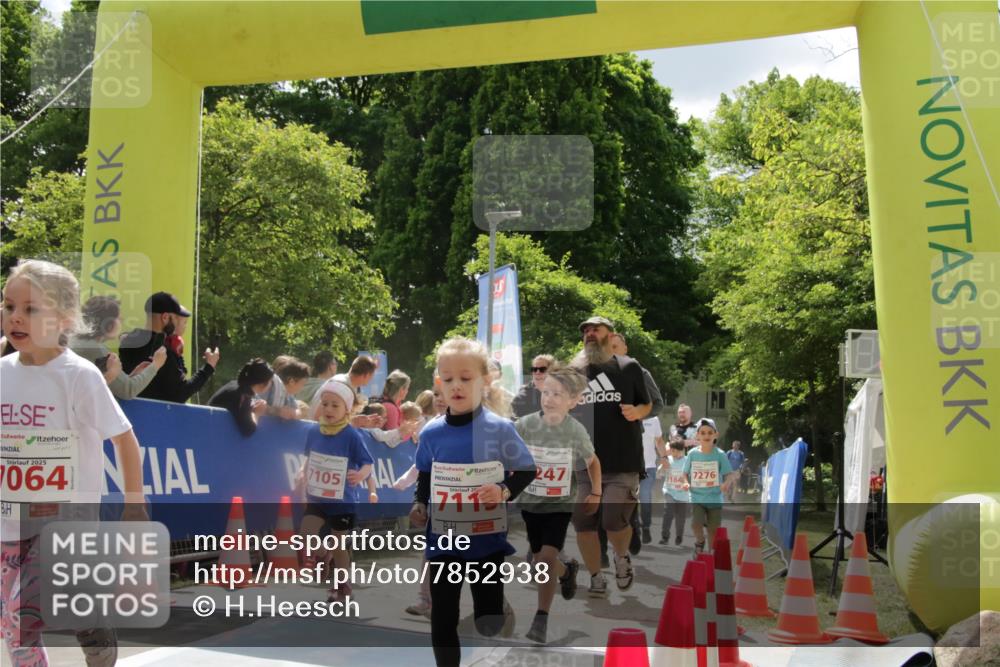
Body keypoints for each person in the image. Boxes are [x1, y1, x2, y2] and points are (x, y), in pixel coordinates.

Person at [1, 259, 147, 667]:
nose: (15, 317)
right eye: (8, 305)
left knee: (23, 616)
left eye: (31, 309)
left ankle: (92, 622)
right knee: (12, 622)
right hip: (10, 519)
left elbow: (124, 437)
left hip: (64, 520)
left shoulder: (78, 375)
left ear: (65, 319)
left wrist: (134, 505)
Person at [409, 338, 536, 667]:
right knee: (444, 613)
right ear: (439, 382)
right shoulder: (432, 433)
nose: (456, 386)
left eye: (465, 378)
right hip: (443, 539)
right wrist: (420, 503)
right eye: (447, 379)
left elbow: (526, 469)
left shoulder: (500, 429)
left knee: (488, 619)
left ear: (485, 380)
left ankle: (498, 614)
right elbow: (425, 473)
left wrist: (503, 490)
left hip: (486, 540)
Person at [515, 366, 601, 644]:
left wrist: (596, 492)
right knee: (540, 560)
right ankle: (568, 571)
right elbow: (507, 452)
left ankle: (541, 618)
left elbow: (592, 461)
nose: (550, 399)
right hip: (530, 503)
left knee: (544, 559)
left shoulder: (575, 430)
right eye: (547, 392)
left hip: (560, 504)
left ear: (573, 401)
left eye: (558, 394)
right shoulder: (526, 424)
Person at [569, 316, 651, 597]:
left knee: (613, 520)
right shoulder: (574, 371)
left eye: (596, 329)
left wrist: (637, 412)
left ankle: (621, 556)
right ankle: (595, 577)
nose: (590, 333)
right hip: (586, 464)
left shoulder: (628, 367)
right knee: (584, 523)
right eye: (586, 330)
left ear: (610, 335)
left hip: (623, 461)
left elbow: (647, 402)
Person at [295, 378, 374, 602]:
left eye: (335, 405)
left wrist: (360, 474)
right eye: (325, 403)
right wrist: (302, 472)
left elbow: (368, 463)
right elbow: (309, 459)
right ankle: (322, 553)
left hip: (343, 501)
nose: (328, 409)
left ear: (347, 410)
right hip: (317, 498)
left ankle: (342, 585)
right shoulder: (314, 432)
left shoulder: (351, 435)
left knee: (340, 546)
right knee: (306, 534)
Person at [608, 332, 664, 550]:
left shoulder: (640, 372)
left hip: (630, 441)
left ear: (625, 349)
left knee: (626, 491)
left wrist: (637, 413)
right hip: (602, 441)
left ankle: (634, 529)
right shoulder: (597, 375)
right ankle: (603, 546)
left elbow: (657, 404)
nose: (611, 351)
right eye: (608, 347)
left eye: (615, 347)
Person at [119, 291, 220, 403]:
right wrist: (209, 367)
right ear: (165, 317)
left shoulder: (126, 342)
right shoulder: (163, 352)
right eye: (176, 318)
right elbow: (180, 394)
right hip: (154, 417)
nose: (177, 323)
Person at [70, 296, 167, 400]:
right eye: (118, 318)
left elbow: (113, 385)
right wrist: (156, 365)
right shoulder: (96, 349)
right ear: (107, 322)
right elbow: (128, 390)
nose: (122, 320)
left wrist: (134, 376)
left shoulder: (80, 343)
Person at [681, 418, 737, 553]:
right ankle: (700, 541)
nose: (706, 436)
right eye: (703, 433)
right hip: (696, 497)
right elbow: (684, 473)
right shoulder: (692, 454)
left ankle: (711, 555)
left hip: (714, 498)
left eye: (710, 433)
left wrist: (726, 484)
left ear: (715, 435)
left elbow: (730, 474)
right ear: (697, 435)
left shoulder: (720, 455)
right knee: (695, 524)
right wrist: (685, 482)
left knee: (713, 529)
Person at [208, 359, 273, 436]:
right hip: (210, 433)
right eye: (270, 381)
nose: (271, 384)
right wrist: (256, 414)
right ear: (262, 384)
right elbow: (248, 430)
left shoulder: (237, 386)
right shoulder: (242, 394)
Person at [659, 438, 691, 546]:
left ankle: (679, 536)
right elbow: (659, 473)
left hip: (682, 494)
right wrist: (661, 468)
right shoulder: (668, 459)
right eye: (672, 451)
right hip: (669, 491)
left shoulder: (687, 461)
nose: (674, 453)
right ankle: (665, 536)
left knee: (680, 518)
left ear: (683, 450)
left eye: (677, 451)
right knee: (668, 512)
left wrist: (688, 484)